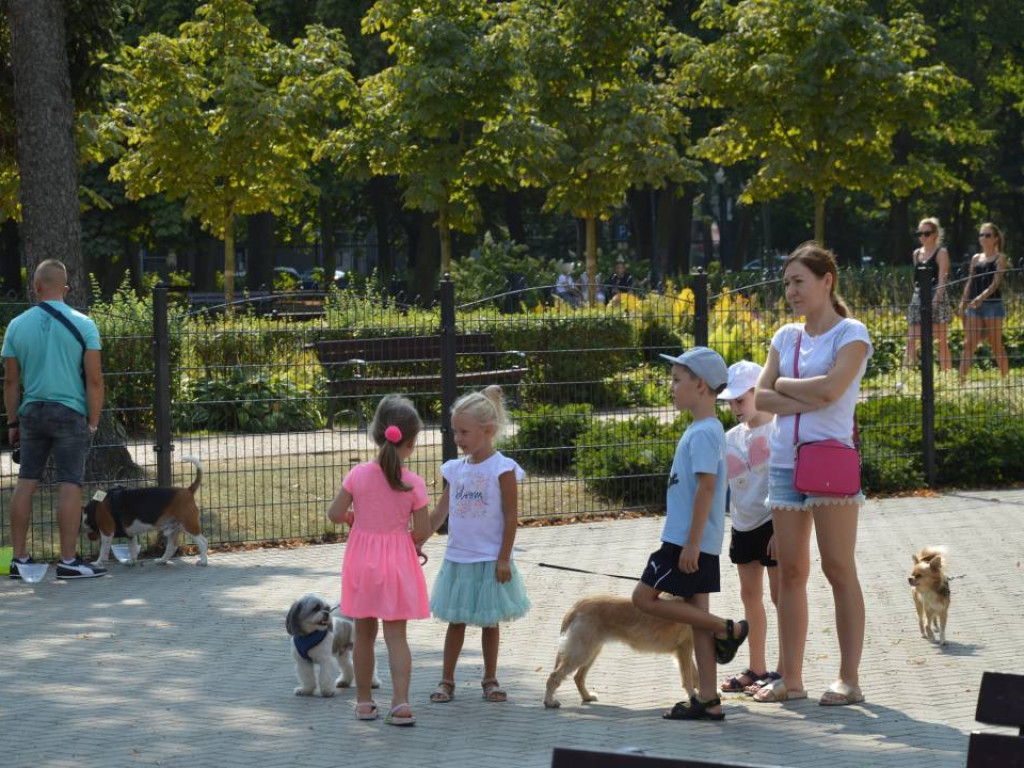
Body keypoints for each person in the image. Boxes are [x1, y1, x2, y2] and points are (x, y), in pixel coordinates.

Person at [753, 242, 873, 706]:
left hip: (830, 459)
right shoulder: (785, 336)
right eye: (786, 283)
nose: (791, 291)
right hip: (784, 461)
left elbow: (831, 391)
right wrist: (793, 392)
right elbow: (760, 400)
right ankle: (792, 678)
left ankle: (849, 679)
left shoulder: (852, 333)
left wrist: (782, 384)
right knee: (790, 572)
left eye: (799, 281)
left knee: (839, 568)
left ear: (827, 281)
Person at [631, 346, 749, 721]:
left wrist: (692, 543)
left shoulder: (704, 433)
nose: (672, 386)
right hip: (695, 540)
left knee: (643, 598)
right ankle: (709, 699)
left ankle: (728, 628)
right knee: (695, 618)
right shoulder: (707, 429)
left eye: (677, 380)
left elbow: (707, 489)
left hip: (685, 541)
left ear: (700, 385)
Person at [327, 394, 431, 726]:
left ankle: (363, 702)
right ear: (412, 442)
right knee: (397, 638)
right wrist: (409, 544)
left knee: (364, 636)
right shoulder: (413, 482)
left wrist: (351, 519)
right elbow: (424, 528)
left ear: (376, 434)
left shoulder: (357, 475)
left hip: (362, 565)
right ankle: (400, 705)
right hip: (398, 566)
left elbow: (334, 514)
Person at [2, 259, 105, 580]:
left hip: (31, 413)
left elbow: (10, 382)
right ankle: (69, 561)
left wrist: (12, 423)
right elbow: (95, 380)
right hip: (70, 412)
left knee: (26, 482)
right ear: (65, 288)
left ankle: (19, 559)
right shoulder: (84, 324)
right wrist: (93, 422)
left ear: (36, 287)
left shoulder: (16, 326)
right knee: (69, 483)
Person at [428, 385, 530, 704]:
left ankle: (490, 678)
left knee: (489, 621)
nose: (458, 438)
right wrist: (414, 539)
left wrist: (504, 558)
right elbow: (439, 514)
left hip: (489, 559)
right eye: (455, 431)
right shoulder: (455, 470)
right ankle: (447, 680)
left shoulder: (503, 468)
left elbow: (511, 517)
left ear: (487, 431)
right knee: (455, 620)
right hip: (458, 559)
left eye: (464, 432)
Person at [717, 360, 784, 697]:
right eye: (729, 402)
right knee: (749, 596)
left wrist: (781, 531)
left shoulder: (780, 431)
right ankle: (756, 667)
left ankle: (784, 671)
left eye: (740, 400)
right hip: (742, 524)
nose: (733, 408)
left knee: (780, 597)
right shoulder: (730, 437)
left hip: (772, 524)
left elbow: (786, 481)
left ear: (759, 392)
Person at [959, 222, 1010, 382]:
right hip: (974, 306)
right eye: (981, 235)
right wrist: (963, 302)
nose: (983, 238)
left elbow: (996, 283)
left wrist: (980, 298)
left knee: (996, 345)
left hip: (992, 306)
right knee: (969, 344)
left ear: (995, 239)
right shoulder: (976, 258)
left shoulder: (1000, 258)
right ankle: (959, 382)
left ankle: (1006, 381)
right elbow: (970, 281)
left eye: (987, 235)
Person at [904, 218, 952, 372]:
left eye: (926, 233)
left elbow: (942, 281)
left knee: (941, 341)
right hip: (918, 297)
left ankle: (946, 378)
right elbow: (916, 281)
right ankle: (906, 377)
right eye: (920, 233)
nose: (922, 237)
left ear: (935, 234)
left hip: (936, 296)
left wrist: (935, 302)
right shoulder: (916, 253)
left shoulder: (941, 253)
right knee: (911, 340)